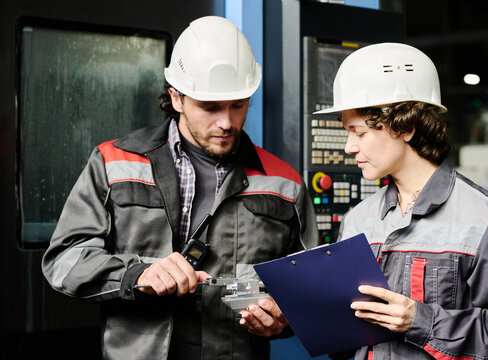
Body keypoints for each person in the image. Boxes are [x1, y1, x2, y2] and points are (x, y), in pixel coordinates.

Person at [42, 16, 318, 360]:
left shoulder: (284, 183)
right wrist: (136, 274)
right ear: (176, 97)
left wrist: (284, 321)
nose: (226, 122)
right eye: (210, 106)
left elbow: (310, 287)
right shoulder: (113, 163)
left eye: (238, 104)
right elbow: (65, 260)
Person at [315, 43, 488, 359]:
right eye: (347, 132)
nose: (349, 147)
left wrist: (419, 321)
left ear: (405, 126)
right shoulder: (359, 219)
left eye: (360, 132)